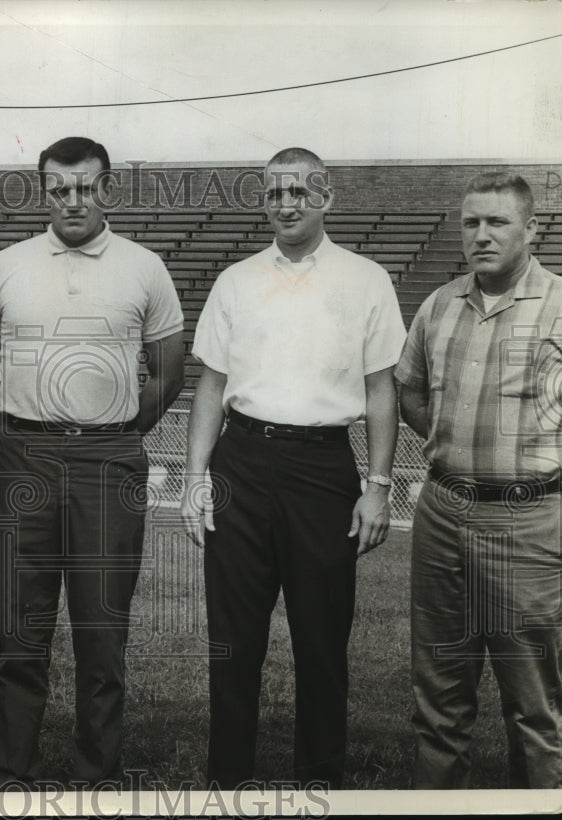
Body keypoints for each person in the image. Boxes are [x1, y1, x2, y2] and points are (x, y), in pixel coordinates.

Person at [181, 147, 406, 789]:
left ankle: (321, 781)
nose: (286, 204)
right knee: (234, 639)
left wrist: (379, 486)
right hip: (242, 462)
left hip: (322, 467)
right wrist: (197, 479)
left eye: (300, 192)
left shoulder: (366, 280)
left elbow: (381, 388)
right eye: (275, 193)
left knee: (321, 639)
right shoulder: (236, 280)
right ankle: (226, 782)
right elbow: (211, 383)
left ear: (327, 197)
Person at [0, 136, 185, 786]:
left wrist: (124, 426)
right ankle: (14, 772)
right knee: (21, 629)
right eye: (59, 188)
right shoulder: (6, 265)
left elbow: (170, 367)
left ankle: (96, 774)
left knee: (101, 632)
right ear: (44, 192)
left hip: (107, 457)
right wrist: (10, 426)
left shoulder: (143, 267)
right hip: (23, 457)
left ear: (107, 189)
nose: (72, 199)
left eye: (85, 186)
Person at [395, 172, 562, 789]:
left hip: (527, 519)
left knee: (534, 703)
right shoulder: (439, 304)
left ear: (532, 229)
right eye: (471, 223)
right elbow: (411, 393)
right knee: (439, 695)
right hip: (441, 512)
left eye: (497, 222)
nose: (482, 235)